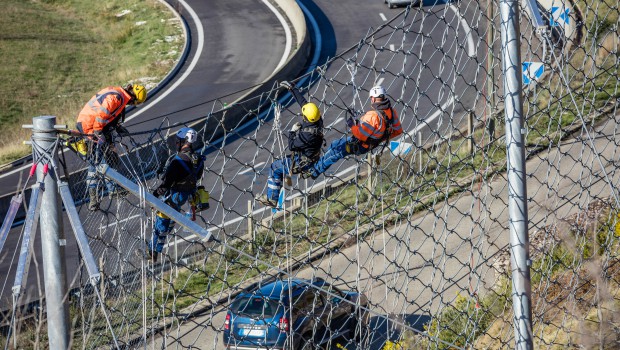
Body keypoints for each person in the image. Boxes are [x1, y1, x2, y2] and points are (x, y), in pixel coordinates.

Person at [76, 83, 147, 211]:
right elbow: (102, 115)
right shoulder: (117, 98)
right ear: (134, 98)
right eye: (135, 103)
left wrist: (116, 127)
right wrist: (98, 133)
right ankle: (102, 195)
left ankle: (107, 192)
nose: (133, 105)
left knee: (104, 159)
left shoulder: (118, 93)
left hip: (90, 123)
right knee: (99, 161)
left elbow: (110, 114)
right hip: (90, 126)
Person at [307, 85, 402, 179]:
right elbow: (398, 130)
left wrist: (352, 126)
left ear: (373, 99)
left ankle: (315, 171)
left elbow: (360, 135)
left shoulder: (373, 115)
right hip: (369, 143)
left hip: (360, 145)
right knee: (334, 144)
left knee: (336, 153)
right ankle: (318, 165)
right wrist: (380, 137)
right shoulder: (391, 112)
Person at [256, 81, 325, 208]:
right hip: (312, 157)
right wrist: (292, 89)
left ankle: (272, 199)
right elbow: (304, 103)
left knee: (274, 168)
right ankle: (279, 186)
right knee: (281, 166)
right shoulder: (318, 121)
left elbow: (292, 145)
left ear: (305, 117)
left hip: (302, 162)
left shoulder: (307, 135)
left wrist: (292, 132)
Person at [146, 127, 206, 262]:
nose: (176, 143)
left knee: (161, 222)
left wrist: (154, 195)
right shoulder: (198, 159)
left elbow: (166, 183)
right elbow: (198, 176)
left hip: (174, 195)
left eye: (177, 141)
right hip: (186, 195)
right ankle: (154, 250)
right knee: (170, 220)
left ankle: (153, 252)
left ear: (183, 141)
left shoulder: (178, 161)